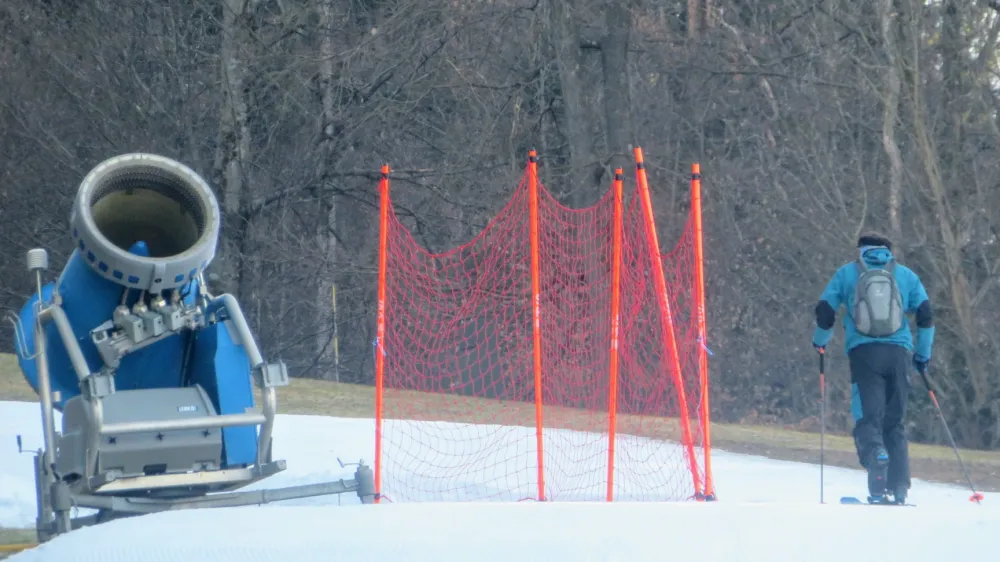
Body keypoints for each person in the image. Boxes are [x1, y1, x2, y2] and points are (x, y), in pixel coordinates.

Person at [811, 232, 934, 505]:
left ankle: (877, 464)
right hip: (899, 354)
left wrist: (819, 342)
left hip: (864, 355)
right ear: (888, 251)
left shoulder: (847, 273)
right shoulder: (905, 275)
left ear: (862, 250)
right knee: (895, 421)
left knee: (868, 417)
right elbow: (925, 314)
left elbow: (825, 311)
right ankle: (899, 487)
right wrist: (922, 356)